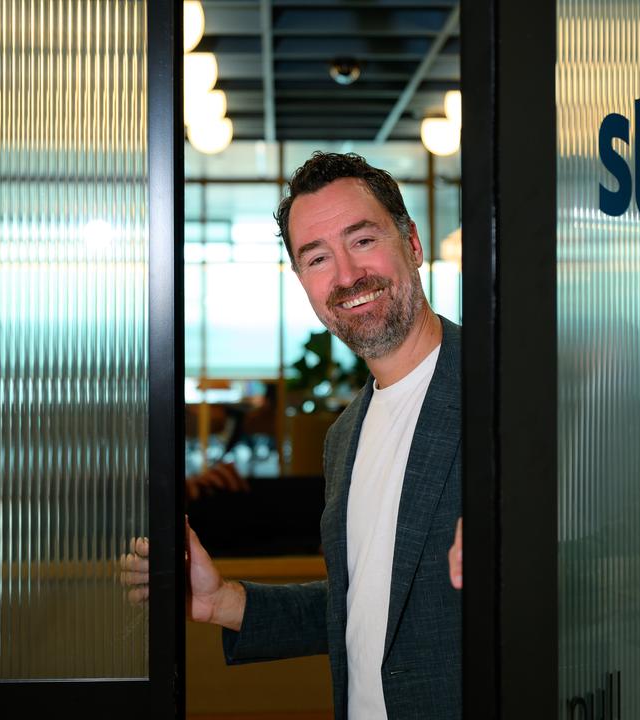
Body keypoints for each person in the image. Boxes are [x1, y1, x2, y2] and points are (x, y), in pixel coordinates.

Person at [122, 152, 464, 719]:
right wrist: (221, 601)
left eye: (362, 240)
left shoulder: (500, 395)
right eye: (318, 258)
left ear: (412, 243)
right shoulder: (343, 436)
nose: (347, 276)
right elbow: (368, 605)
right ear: (304, 282)